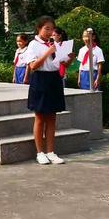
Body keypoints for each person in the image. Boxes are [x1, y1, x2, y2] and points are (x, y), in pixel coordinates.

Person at [26, 16, 66, 165]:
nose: (49, 32)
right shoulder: (33, 45)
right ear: (39, 28)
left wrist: (66, 58)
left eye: (51, 29)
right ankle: (40, 152)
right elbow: (33, 66)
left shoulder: (54, 43)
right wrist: (48, 52)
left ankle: (51, 151)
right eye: (46, 28)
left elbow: (60, 63)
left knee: (52, 117)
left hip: (54, 79)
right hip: (40, 80)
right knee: (40, 117)